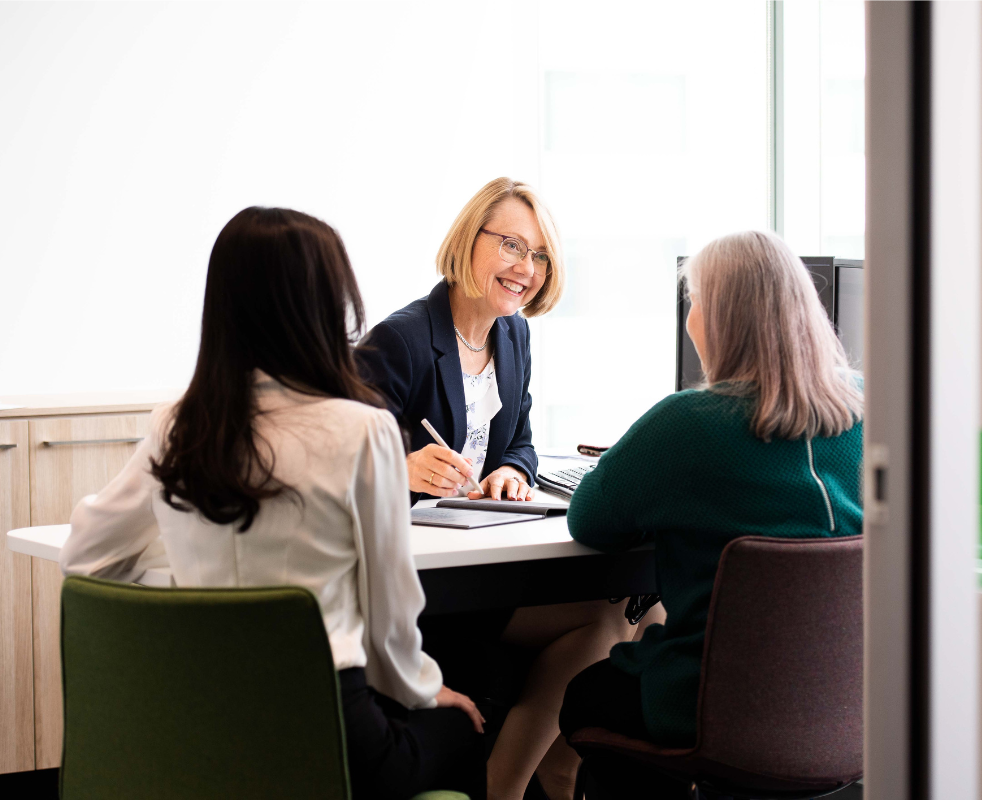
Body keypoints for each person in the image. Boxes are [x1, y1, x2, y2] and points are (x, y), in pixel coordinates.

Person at [59, 207, 485, 800]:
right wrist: (425, 690)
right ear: (327, 306)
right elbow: (390, 618)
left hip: (202, 727)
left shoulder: (180, 425)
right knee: (463, 726)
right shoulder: (361, 431)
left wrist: (191, 550)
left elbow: (86, 555)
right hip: (329, 730)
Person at [355, 178, 636, 800]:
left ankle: (537, 774)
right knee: (604, 620)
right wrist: (399, 469)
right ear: (469, 239)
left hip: (487, 557)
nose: (526, 268)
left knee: (617, 613)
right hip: (426, 584)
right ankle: (526, 779)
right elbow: (336, 453)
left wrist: (511, 469)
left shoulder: (513, 335)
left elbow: (522, 441)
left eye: (539, 255)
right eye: (512, 245)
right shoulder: (401, 340)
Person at [558, 230, 865, 799]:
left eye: (695, 300)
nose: (690, 317)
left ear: (720, 317)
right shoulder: (872, 409)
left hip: (709, 705)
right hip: (853, 712)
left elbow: (589, 521)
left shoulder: (688, 424)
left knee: (589, 695)